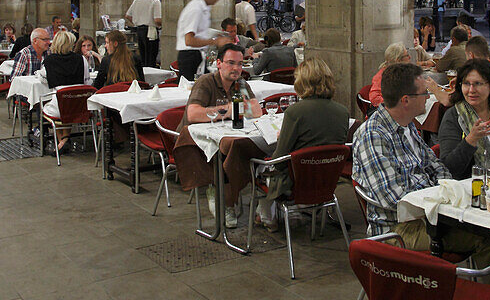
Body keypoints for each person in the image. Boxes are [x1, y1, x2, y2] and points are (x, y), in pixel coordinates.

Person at [352, 63, 490, 257]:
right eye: (424, 93)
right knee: (489, 237)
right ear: (405, 100)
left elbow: (437, 168)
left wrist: (444, 194)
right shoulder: (373, 135)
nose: (429, 97)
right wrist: (442, 197)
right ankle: (488, 288)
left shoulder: (407, 125)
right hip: (399, 230)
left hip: (431, 216)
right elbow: (395, 199)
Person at [173, 44, 263, 228]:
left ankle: (230, 195)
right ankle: (224, 198)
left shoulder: (241, 83)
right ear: (219, 63)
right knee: (229, 154)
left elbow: (256, 110)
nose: (237, 68)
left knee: (242, 150)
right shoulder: (206, 82)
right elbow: (193, 114)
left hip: (226, 135)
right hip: (194, 140)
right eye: (231, 63)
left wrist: (232, 111)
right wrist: (228, 110)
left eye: (240, 64)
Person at [254, 58, 350, 230]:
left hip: (295, 183)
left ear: (302, 82)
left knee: (258, 166)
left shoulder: (295, 112)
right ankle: (270, 214)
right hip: (326, 181)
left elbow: (280, 158)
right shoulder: (343, 112)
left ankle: (268, 216)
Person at [40, 31, 92, 154]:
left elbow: (43, 79)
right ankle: (65, 139)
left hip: (60, 105)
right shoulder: (81, 59)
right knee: (68, 102)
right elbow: (87, 81)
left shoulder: (49, 61)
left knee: (57, 104)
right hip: (79, 104)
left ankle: (61, 141)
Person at [176, 0, 229, 80]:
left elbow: (199, 33)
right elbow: (189, 40)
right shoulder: (196, 9)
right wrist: (215, 42)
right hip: (190, 56)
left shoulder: (204, 8)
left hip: (197, 54)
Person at [125, 0, 162, 68]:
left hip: (139, 30)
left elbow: (127, 15)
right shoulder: (155, 1)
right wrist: (162, 25)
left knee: (143, 57)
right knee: (151, 58)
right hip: (150, 31)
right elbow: (157, 20)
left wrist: (136, 21)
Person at [368, 43, 413, 108]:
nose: (410, 57)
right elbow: (374, 98)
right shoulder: (382, 76)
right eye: (407, 55)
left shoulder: (401, 73)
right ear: (398, 60)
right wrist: (396, 105)